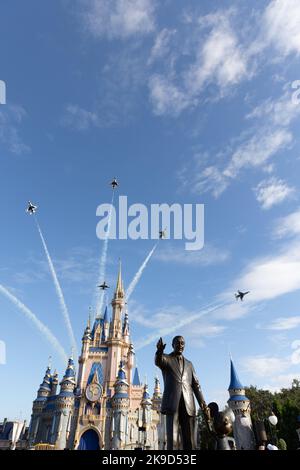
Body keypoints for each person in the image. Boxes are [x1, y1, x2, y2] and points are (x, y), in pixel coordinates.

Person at [155, 335, 210, 450]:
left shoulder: (189, 364)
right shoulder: (167, 359)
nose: (180, 345)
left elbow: (196, 385)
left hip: (188, 404)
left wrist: (203, 404)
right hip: (172, 404)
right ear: (172, 345)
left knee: (190, 441)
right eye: (178, 343)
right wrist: (159, 351)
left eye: (182, 343)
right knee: (173, 440)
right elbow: (158, 361)